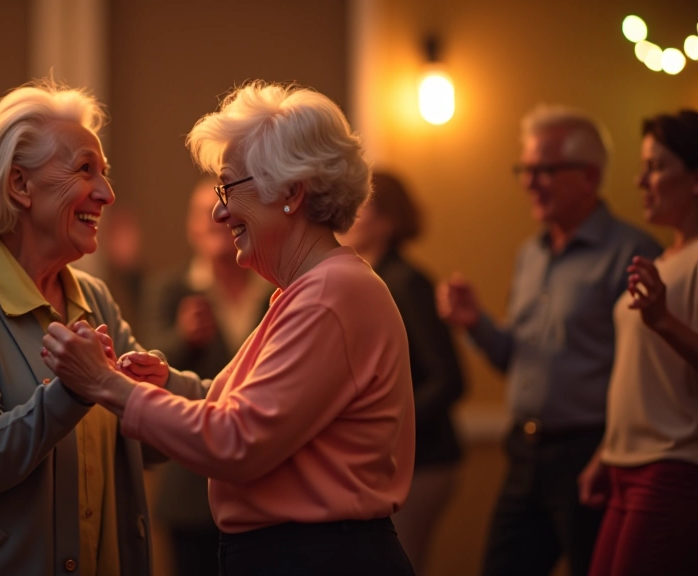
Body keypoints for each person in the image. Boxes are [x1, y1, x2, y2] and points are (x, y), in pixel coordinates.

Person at [41, 81, 416, 576]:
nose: (219, 213)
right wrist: (167, 385)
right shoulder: (313, 290)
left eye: (229, 188)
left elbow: (237, 440)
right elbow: (255, 414)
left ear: (291, 192)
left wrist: (103, 384)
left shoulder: (329, 295)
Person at [0, 79, 201, 575]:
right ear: (20, 184)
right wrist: (74, 391)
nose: (107, 193)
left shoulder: (93, 299)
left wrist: (158, 385)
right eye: (84, 169)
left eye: (104, 173)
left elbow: (147, 445)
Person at [436, 105, 662, 576]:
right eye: (524, 170)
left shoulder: (633, 253)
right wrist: (476, 323)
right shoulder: (531, 254)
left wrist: (605, 455)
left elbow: (646, 375)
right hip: (523, 453)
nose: (529, 183)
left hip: (591, 454)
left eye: (544, 170)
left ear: (589, 176)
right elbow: (517, 360)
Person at [579, 109, 698, 576]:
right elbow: (639, 376)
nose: (640, 180)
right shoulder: (665, 258)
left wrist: (663, 320)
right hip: (625, 465)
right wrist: (604, 454)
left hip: (671, 467)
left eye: (657, 167)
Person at [141, 177, 273, 576]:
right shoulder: (170, 289)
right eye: (204, 213)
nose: (217, 219)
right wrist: (182, 338)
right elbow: (147, 364)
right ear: (191, 227)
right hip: (191, 487)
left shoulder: (273, 288)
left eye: (225, 209)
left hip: (264, 483)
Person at [338, 171, 465, 576]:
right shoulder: (364, 279)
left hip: (423, 460)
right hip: (388, 460)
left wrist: (386, 424)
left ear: (387, 220)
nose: (346, 215)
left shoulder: (407, 283)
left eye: (360, 207)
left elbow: (449, 379)